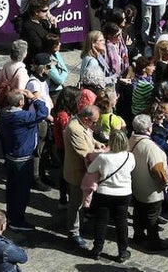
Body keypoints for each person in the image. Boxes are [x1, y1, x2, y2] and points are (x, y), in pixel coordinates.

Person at [0, 89, 48, 232]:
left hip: (10, 156)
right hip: (22, 159)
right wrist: (34, 99)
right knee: (22, 192)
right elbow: (43, 113)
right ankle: (18, 220)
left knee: (12, 189)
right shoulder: (23, 116)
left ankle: (11, 215)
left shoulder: (5, 113)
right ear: (21, 102)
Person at [85, 126, 134, 262]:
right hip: (124, 193)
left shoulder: (103, 157)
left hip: (104, 193)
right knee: (121, 222)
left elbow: (90, 169)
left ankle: (97, 249)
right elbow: (131, 169)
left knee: (101, 221)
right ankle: (122, 251)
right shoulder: (130, 157)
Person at [127, 113, 168, 250]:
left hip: (136, 186)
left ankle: (138, 236)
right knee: (152, 217)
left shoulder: (130, 140)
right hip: (151, 190)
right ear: (149, 128)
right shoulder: (150, 147)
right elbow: (158, 170)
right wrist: (164, 183)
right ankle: (154, 242)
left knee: (138, 212)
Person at [63, 104, 101, 249]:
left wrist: (98, 144)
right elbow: (85, 154)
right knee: (76, 204)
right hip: (77, 173)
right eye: (93, 122)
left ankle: (79, 225)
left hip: (84, 172)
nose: (94, 125)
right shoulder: (74, 129)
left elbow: (89, 138)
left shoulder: (82, 125)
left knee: (81, 203)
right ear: (85, 119)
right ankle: (73, 233)